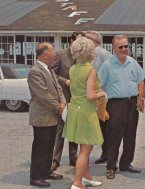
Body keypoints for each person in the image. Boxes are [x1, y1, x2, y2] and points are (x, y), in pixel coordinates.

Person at [99, 35, 145, 179]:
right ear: (114, 48)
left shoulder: (133, 62)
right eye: (121, 47)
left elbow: (141, 81)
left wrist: (141, 98)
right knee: (114, 136)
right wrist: (102, 107)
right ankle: (111, 166)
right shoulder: (107, 65)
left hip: (132, 103)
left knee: (130, 135)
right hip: (115, 104)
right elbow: (99, 86)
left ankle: (126, 163)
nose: (124, 49)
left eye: (126, 46)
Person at [62, 37, 106, 189]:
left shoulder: (73, 69)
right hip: (86, 111)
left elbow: (74, 88)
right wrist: (101, 94)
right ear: (90, 52)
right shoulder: (90, 70)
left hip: (75, 110)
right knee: (85, 151)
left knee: (84, 148)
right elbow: (90, 95)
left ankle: (86, 177)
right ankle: (77, 182)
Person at [27, 42, 66, 187]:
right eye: (52, 51)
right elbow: (43, 94)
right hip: (42, 116)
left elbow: (58, 89)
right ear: (45, 54)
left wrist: (63, 103)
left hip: (52, 115)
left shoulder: (49, 69)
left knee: (49, 146)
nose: (55, 54)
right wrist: (58, 107)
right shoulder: (35, 71)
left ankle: (46, 171)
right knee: (40, 147)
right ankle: (36, 177)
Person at [49, 31, 84, 170]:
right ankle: (55, 160)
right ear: (71, 41)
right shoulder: (61, 54)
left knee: (74, 129)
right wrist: (66, 81)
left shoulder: (82, 57)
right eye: (77, 42)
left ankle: (73, 157)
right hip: (63, 97)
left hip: (77, 99)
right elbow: (51, 73)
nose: (79, 45)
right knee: (60, 130)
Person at [85, 30, 112, 165]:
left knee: (105, 126)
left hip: (103, 96)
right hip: (93, 96)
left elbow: (111, 73)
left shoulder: (104, 54)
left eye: (87, 38)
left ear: (95, 41)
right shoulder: (87, 54)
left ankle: (108, 154)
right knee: (100, 127)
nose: (85, 40)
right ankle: (104, 153)